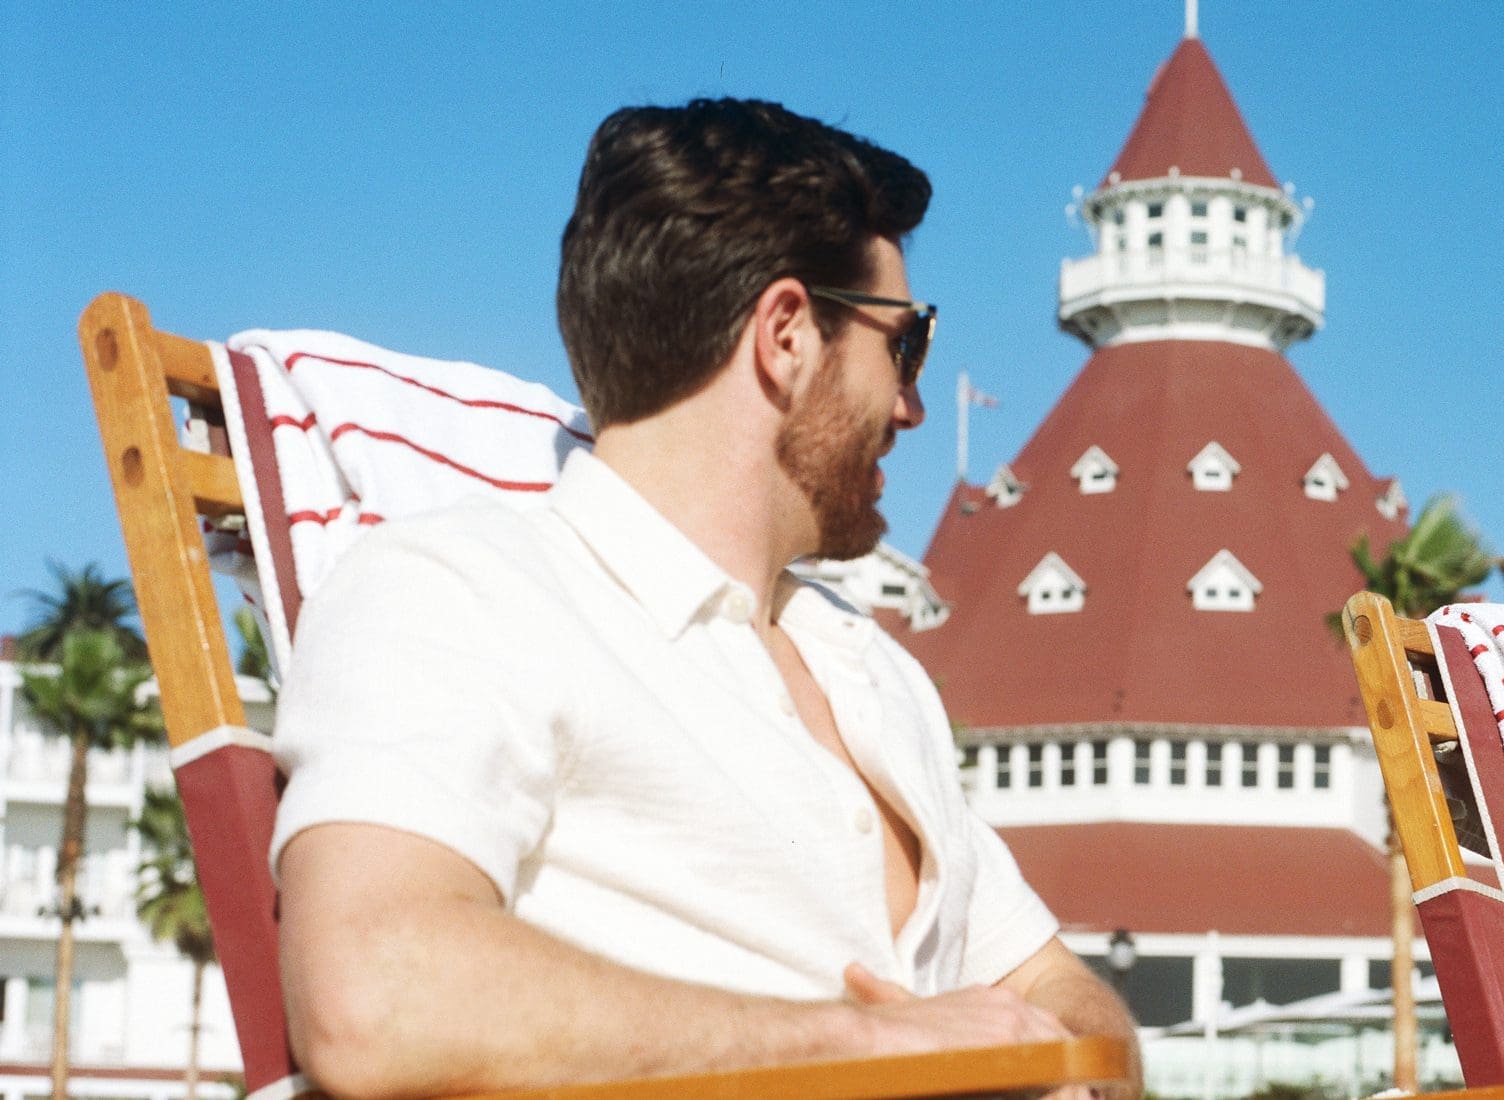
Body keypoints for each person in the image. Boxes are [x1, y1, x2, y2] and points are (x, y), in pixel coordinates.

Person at [271, 99, 1136, 1099]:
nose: (913, 405)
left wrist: (1077, 1068)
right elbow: (374, 997)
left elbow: (1061, 989)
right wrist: (876, 1048)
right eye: (906, 345)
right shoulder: (464, 590)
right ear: (787, 336)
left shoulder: (871, 668)